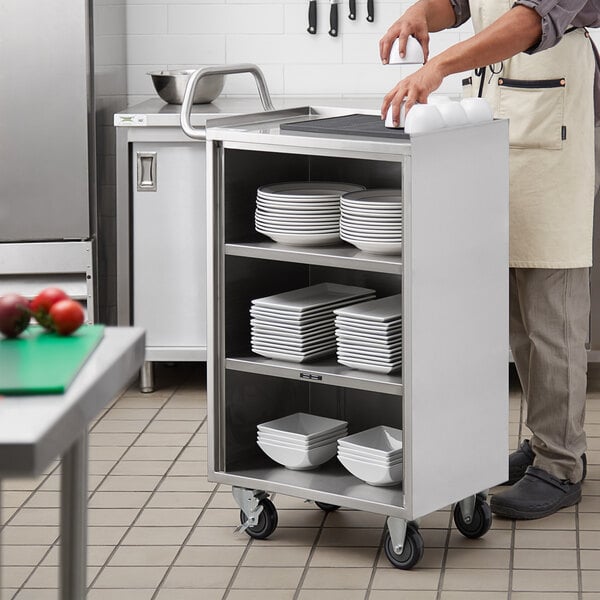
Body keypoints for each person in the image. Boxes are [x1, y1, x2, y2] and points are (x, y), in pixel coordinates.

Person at [380, 0, 600, 519]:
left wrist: (440, 65)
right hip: (498, 129)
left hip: (555, 133)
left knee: (553, 313)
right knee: (519, 316)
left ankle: (561, 463)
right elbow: (461, 3)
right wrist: (422, 14)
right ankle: (543, 439)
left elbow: (530, 19)